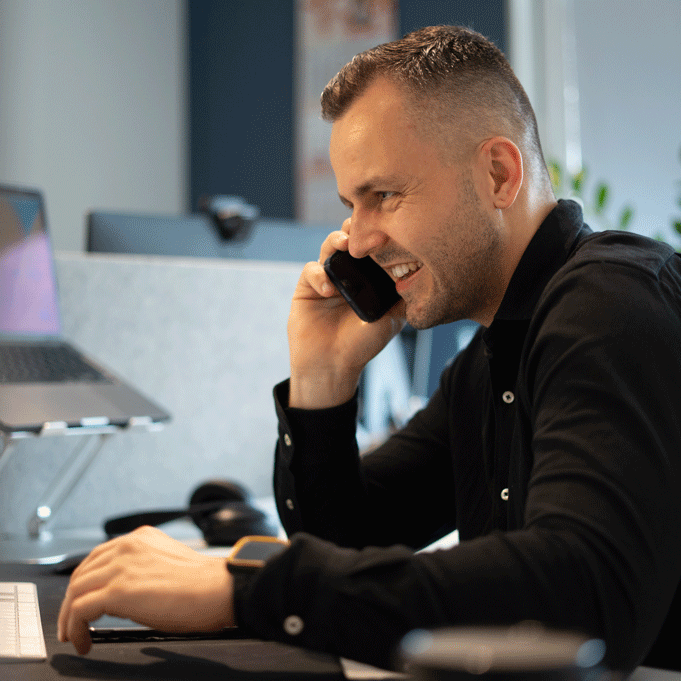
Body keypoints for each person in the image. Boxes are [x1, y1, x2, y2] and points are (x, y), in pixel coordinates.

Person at [58, 25, 681, 673]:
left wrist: (240, 587)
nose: (353, 241)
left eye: (383, 194)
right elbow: (346, 540)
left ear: (498, 173)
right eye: (350, 204)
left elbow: (580, 594)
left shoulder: (612, 302)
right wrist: (323, 376)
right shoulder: (486, 361)